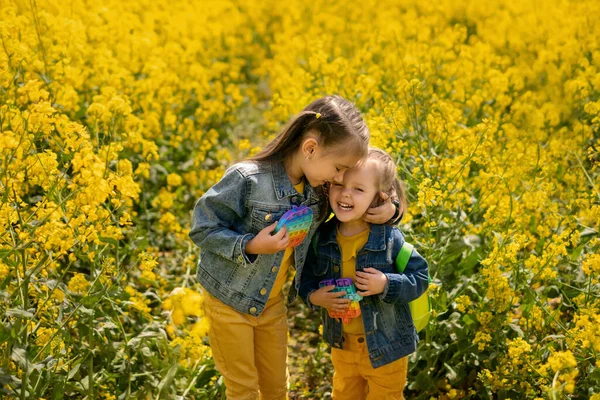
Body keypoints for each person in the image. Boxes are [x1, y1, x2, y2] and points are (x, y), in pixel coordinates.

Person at [189, 96, 399, 400]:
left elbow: (369, 185)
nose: (340, 179)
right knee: (243, 388)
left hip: (272, 305)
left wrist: (392, 207)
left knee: (276, 387)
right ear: (310, 148)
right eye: (339, 169)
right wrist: (250, 244)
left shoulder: (319, 192)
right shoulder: (247, 179)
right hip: (228, 303)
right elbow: (202, 227)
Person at [299, 147, 429, 400]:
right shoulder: (322, 237)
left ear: (378, 198)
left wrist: (385, 283)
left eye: (359, 189)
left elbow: (420, 278)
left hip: (387, 345)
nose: (346, 193)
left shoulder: (390, 239)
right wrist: (314, 296)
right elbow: (306, 278)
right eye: (339, 184)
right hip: (343, 344)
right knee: (344, 394)